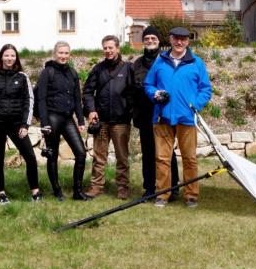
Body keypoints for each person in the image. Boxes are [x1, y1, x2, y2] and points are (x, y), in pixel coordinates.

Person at [144, 27, 212, 208]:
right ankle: (162, 195)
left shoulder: (196, 63)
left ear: (188, 41)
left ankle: (191, 195)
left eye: (183, 39)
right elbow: (148, 84)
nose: (179, 42)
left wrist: (195, 105)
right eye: (176, 38)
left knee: (189, 158)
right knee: (162, 159)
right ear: (170, 40)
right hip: (162, 117)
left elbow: (205, 89)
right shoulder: (160, 61)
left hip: (186, 118)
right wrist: (154, 93)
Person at [35, 41, 90, 201]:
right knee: (52, 155)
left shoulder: (72, 72)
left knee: (81, 153)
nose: (63, 56)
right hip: (52, 117)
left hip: (67, 118)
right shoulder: (47, 72)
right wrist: (44, 123)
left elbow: (77, 98)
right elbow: (41, 99)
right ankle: (57, 190)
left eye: (66, 53)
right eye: (60, 53)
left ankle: (77, 191)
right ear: (55, 54)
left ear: (69, 55)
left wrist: (81, 120)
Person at [0, 44, 42, 204]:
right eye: (6, 55)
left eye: (12, 55)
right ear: (1, 57)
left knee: (30, 157)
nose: (9, 58)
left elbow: (28, 101)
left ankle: (35, 192)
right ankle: (1, 194)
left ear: (16, 58)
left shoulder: (22, 77)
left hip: (17, 124)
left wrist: (25, 125)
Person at [83, 35, 133, 200]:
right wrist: (91, 110)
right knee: (99, 157)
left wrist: (129, 110)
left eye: (111, 47)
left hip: (121, 121)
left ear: (118, 48)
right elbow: (87, 92)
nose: (108, 51)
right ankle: (96, 186)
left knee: (122, 157)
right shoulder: (98, 69)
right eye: (105, 48)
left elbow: (134, 92)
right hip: (101, 120)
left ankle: (123, 187)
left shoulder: (128, 68)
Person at [132, 26, 179, 201]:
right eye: (147, 39)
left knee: (166, 153)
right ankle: (150, 188)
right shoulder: (136, 64)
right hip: (144, 115)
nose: (150, 41)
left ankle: (172, 187)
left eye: (153, 38)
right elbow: (132, 91)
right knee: (148, 152)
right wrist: (135, 114)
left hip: (163, 113)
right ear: (143, 41)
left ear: (159, 41)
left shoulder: (167, 61)